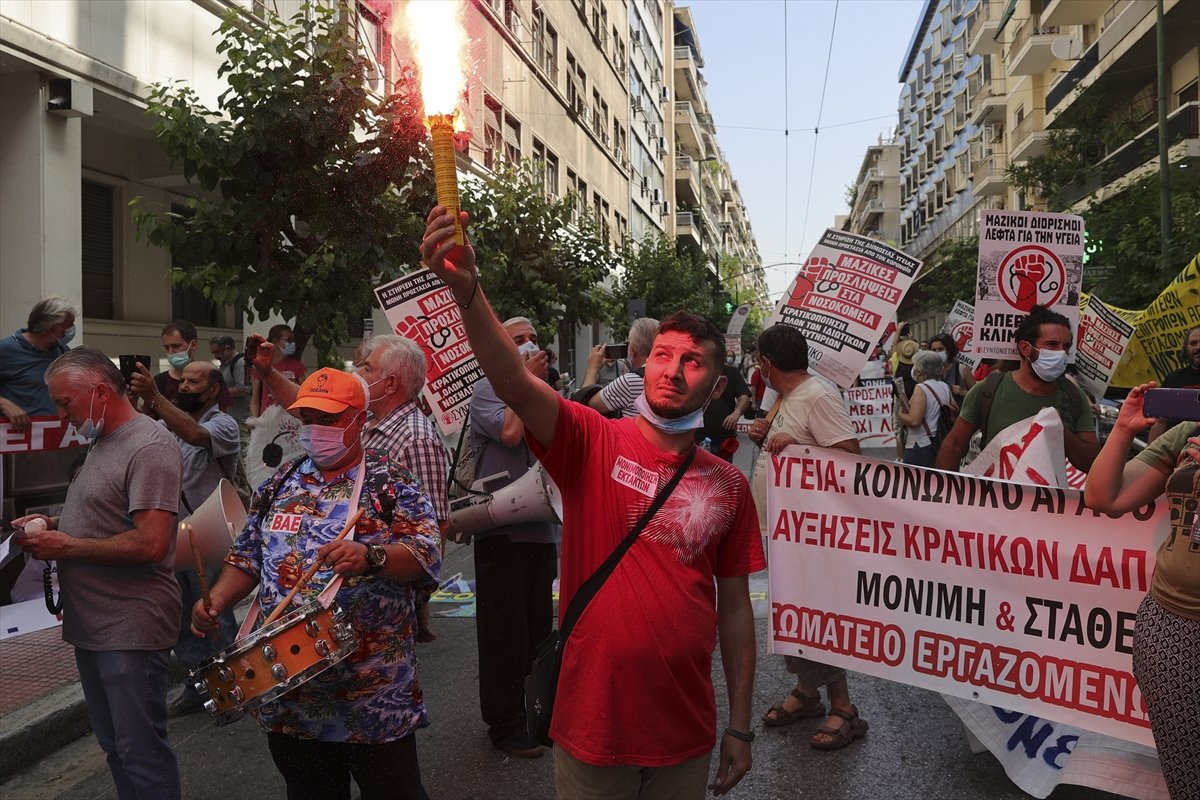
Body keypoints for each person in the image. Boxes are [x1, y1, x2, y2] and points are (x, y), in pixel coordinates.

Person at [422, 206, 763, 797]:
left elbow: (735, 612)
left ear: (717, 382)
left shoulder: (728, 487)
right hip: (591, 727)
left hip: (685, 733)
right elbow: (512, 382)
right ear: (643, 361)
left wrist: (740, 725)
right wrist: (468, 292)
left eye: (693, 361)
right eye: (663, 355)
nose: (674, 371)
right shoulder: (590, 440)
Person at [192, 368, 441, 800]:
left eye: (327, 419)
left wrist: (373, 556)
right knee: (309, 791)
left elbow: (426, 553)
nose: (314, 430)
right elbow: (247, 555)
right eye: (307, 418)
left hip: (372, 688)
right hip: (293, 694)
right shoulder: (281, 483)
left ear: (359, 420)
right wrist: (216, 598)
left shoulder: (389, 481)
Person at [15, 347, 183, 800]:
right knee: (116, 747)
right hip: (95, 627)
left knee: (140, 751)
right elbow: (108, 518)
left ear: (100, 393)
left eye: (64, 402)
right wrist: (52, 526)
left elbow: (151, 542)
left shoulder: (148, 447)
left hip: (129, 627)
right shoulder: (102, 442)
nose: (59, 413)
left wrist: (64, 544)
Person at [748, 325, 870, 750]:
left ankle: (845, 709)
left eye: (757, 359)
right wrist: (765, 434)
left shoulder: (818, 395)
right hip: (787, 532)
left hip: (811, 536)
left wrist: (803, 452)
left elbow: (851, 458)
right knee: (794, 616)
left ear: (766, 363)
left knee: (817, 617)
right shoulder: (785, 396)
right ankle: (807, 692)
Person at [1083, 382, 1199, 800]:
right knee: (1188, 774)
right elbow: (1103, 497)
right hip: (1171, 630)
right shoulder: (1188, 431)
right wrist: (1123, 430)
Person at [468, 316, 560, 758]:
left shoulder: (540, 389)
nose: (527, 345)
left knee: (538, 630)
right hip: (499, 529)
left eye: (532, 338)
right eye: (517, 340)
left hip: (540, 528)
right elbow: (509, 431)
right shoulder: (489, 387)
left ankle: (535, 713)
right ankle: (504, 724)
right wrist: (524, 384)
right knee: (504, 634)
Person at [130, 359, 240, 716]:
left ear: (213, 390)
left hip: (209, 534)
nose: (186, 387)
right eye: (184, 381)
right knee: (179, 617)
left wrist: (157, 397)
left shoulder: (223, 424)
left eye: (195, 382)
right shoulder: (166, 424)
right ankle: (198, 685)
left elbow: (196, 435)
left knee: (213, 612)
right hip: (170, 536)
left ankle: (231, 684)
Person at [354, 334, 450, 643]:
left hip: (388, 600)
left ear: (391, 384)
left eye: (366, 368)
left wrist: (418, 599)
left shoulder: (415, 438)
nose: (357, 373)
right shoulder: (369, 422)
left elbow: (435, 529)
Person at [936, 306, 1099, 473]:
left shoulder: (1073, 396)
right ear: (1025, 348)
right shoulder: (988, 390)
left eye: (1066, 347)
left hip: (1049, 497)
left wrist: (1061, 430)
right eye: (1052, 344)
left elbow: (1092, 463)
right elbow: (954, 446)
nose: (1061, 353)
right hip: (994, 496)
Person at [0, 296, 76, 432]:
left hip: (57, 443)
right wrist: (4, 404)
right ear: (51, 327)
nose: (72, 330)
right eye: (69, 325)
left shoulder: (63, 352)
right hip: (21, 443)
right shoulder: (6, 350)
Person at [580, 317, 659, 417]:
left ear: (633, 350)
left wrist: (592, 368)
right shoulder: (668, 375)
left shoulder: (630, 381)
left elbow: (583, 408)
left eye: (628, 344)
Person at [896, 350, 951, 467]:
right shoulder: (944, 386)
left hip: (920, 444)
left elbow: (914, 420)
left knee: (913, 483)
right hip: (939, 442)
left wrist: (900, 413)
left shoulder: (921, 388)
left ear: (920, 370)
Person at [1148, 325, 1200, 442]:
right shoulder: (1173, 378)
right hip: (1174, 454)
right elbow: (1160, 422)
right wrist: (1149, 455)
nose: (1198, 347)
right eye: (1193, 343)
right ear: (1186, 348)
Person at [696, 362, 751, 461]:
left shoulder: (731, 372)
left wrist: (736, 413)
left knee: (723, 474)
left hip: (723, 438)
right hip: (698, 436)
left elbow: (744, 397)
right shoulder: (697, 370)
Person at [250, 323, 306, 416]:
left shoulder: (297, 366)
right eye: (288, 340)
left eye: (293, 340)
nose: (292, 343)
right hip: (268, 419)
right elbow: (255, 399)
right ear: (275, 341)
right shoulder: (261, 366)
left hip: (291, 420)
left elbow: (305, 394)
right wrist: (255, 422)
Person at [209, 335, 251, 424]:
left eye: (217, 352)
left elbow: (243, 390)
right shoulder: (224, 365)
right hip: (230, 418)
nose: (216, 356)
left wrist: (216, 392)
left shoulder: (240, 363)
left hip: (242, 420)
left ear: (227, 348)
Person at [928, 332, 975, 402]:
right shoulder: (930, 371)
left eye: (940, 349)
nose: (937, 353)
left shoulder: (961, 369)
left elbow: (977, 395)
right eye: (934, 350)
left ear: (948, 350)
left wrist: (963, 393)